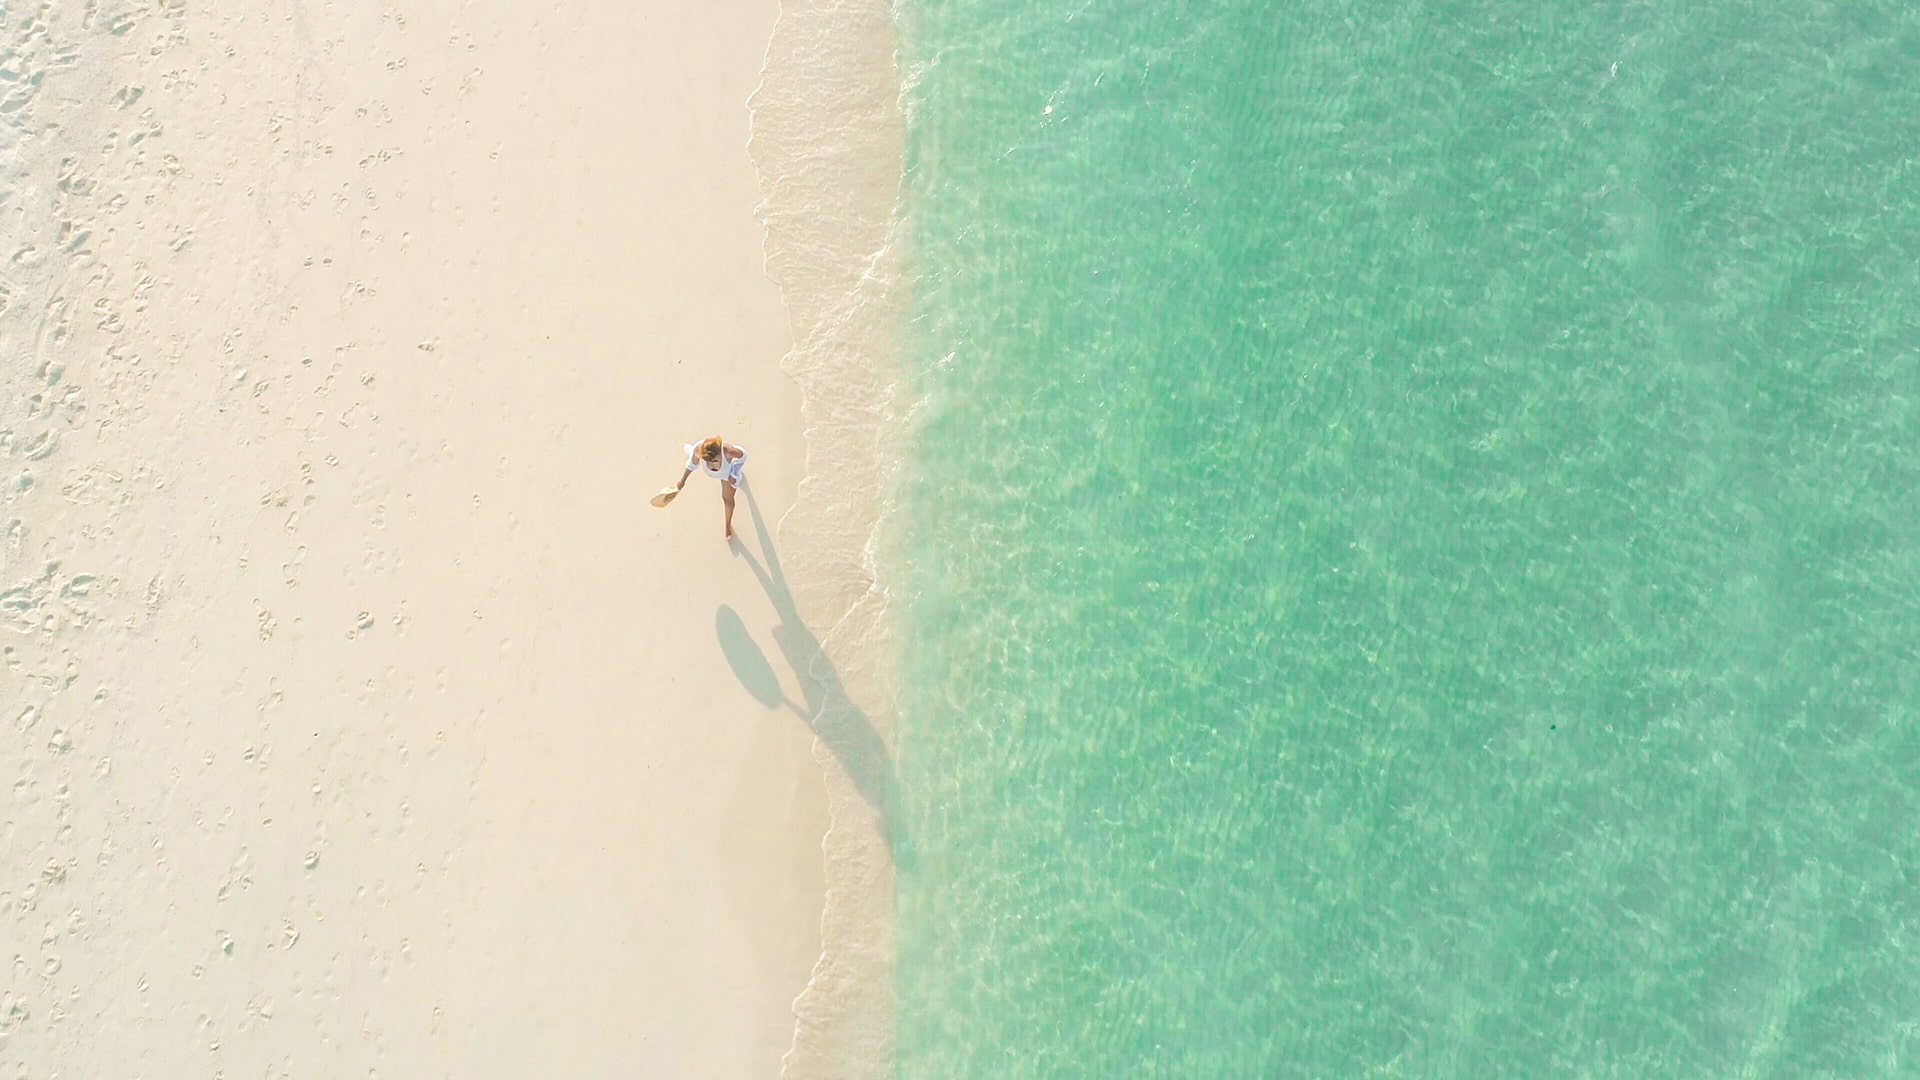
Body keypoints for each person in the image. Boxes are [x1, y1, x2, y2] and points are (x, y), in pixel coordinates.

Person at [672, 435, 747, 540]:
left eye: (714, 461)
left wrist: (734, 473)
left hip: (726, 474)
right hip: (712, 472)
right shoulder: (700, 449)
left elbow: (743, 456)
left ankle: (728, 524)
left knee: (727, 500)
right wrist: (682, 481)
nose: (711, 463)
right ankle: (691, 453)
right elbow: (691, 466)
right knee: (693, 455)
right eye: (707, 460)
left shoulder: (728, 451)